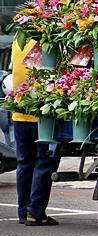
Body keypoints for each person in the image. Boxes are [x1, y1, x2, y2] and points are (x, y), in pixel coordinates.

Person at [12, 40, 60, 226]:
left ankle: (23, 212)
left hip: (19, 114)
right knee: (44, 163)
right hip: (41, 118)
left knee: (24, 163)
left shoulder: (18, 42)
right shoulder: (45, 44)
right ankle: (36, 211)